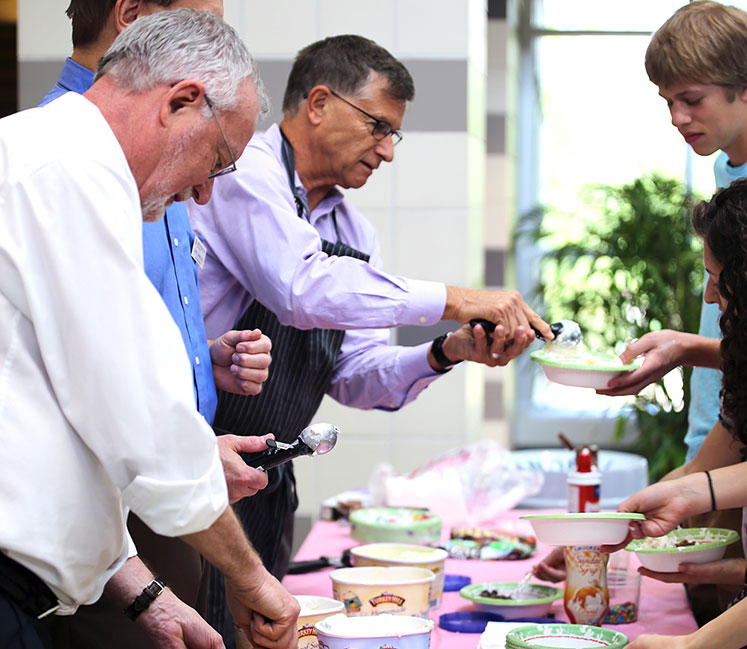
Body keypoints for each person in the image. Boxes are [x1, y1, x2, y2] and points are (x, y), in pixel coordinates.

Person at [187, 33, 552, 645]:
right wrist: (457, 297)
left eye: (394, 135)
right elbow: (300, 288)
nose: (387, 152)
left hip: (268, 484)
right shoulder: (245, 173)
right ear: (320, 102)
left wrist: (445, 351)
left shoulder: (353, 231)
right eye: (379, 127)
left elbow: (355, 375)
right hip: (202, 469)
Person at [0, 9, 298, 649]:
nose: (203, 197)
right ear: (182, 102)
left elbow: (47, 434)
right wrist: (252, 579)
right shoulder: (67, 172)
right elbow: (144, 427)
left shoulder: (56, 159)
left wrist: (142, 592)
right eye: (218, 161)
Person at [535, 2, 747, 620]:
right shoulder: (726, 168)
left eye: (692, 98)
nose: (678, 118)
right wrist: (614, 525)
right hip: (725, 438)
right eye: (666, 101)